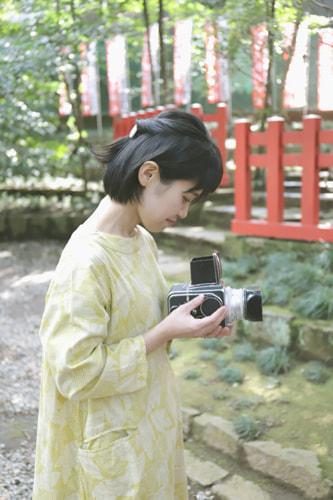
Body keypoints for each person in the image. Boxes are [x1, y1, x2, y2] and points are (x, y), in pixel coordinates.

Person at [33, 109, 232, 499]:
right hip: (108, 443)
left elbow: (143, 328)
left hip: (147, 424)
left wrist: (192, 321)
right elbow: (75, 372)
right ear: (149, 174)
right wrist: (163, 332)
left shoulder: (141, 240)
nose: (184, 212)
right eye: (185, 197)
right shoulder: (85, 262)